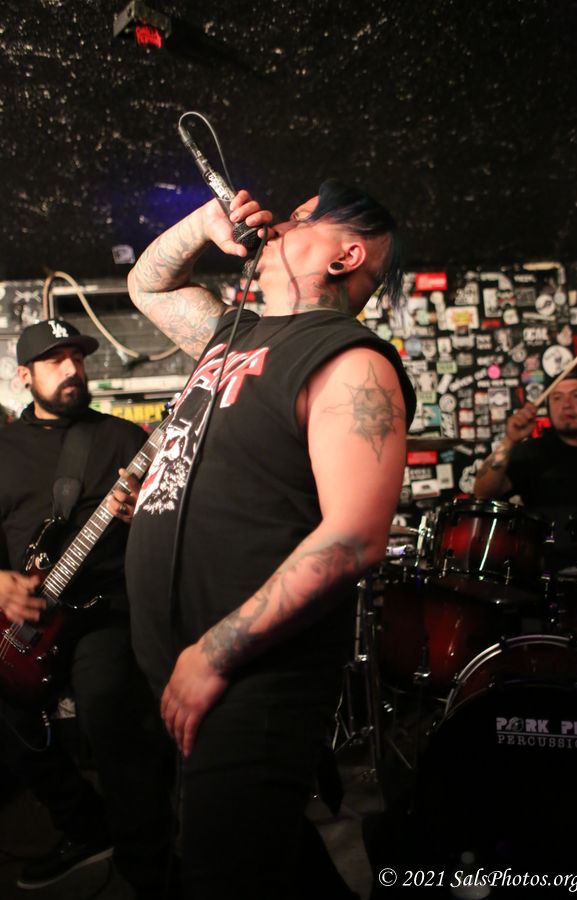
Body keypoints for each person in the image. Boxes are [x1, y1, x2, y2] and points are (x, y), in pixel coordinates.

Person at [125, 179, 416, 899]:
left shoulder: (353, 360)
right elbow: (148, 286)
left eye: (300, 219)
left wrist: (214, 653)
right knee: (271, 865)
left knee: (224, 876)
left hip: (252, 676)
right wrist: (204, 223)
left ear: (346, 255)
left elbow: (353, 538)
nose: (277, 226)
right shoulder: (233, 334)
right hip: (182, 666)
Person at [0, 319, 174, 898]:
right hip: (24, 618)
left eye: (77, 357)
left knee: (111, 712)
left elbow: (174, 526)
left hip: (106, 608)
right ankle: (83, 825)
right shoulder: (3, 449)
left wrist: (145, 515)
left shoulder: (125, 439)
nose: (72, 369)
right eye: (55, 361)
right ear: (24, 376)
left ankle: (148, 866)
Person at [473, 366, 577, 569]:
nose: (566, 405)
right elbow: (482, 492)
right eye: (557, 398)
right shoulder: (532, 452)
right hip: (547, 573)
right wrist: (509, 440)